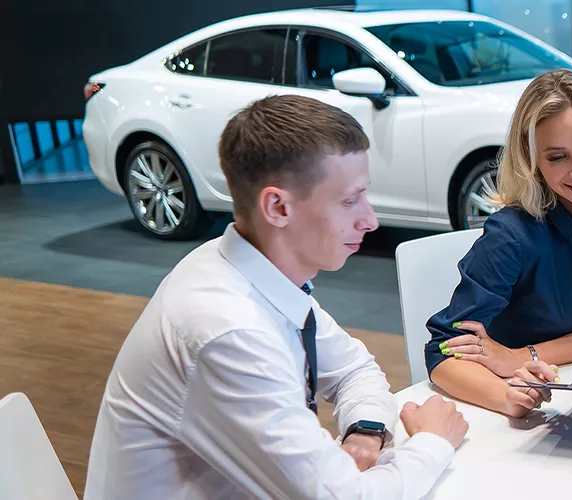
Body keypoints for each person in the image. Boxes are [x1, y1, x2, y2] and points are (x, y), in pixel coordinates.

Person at [84, 95, 516, 499]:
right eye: (350, 200)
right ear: (277, 208)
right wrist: (432, 443)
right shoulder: (228, 329)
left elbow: (353, 369)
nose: (369, 220)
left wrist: (366, 431)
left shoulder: (246, 269)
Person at [423, 69, 572, 418]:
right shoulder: (510, 234)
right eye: (557, 157)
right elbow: (442, 352)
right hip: (530, 404)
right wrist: (507, 396)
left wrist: (524, 354)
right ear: (531, 160)